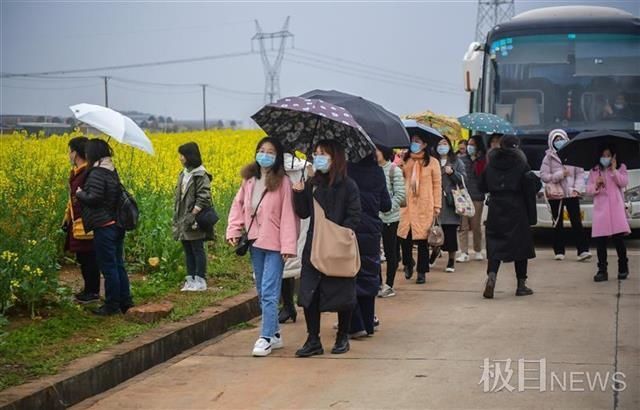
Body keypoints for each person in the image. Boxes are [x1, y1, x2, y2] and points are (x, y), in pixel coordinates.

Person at [227, 137, 299, 357]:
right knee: (261, 289)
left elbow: (289, 215)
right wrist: (233, 230)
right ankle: (275, 334)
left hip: (276, 244)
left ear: (277, 157)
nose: (264, 155)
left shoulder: (284, 182)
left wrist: (288, 245)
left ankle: (265, 337)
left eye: (270, 152)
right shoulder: (249, 180)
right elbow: (239, 206)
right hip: (255, 242)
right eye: (261, 150)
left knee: (269, 290)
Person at [292, 140, 361, 357]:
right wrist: (299, 193)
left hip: (338, 247)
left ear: (335, 158)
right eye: (316, 153)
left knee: (342, 292)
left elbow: (354, 215)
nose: (317, 157)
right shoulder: (312, 183)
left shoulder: (349, 185)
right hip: (314, 247)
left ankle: (342, 337)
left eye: (323, 154)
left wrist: (338, 236)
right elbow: (303, 213)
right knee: (309, 294)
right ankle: (313, 339)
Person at [76, 139, 133, 316]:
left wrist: (80, 194)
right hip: (116, 224)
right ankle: (125, 301)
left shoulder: (97, 173)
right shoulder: (111, 169)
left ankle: (111, 305)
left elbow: (95, 198)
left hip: (104, 225)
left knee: (109, 267)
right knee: (117, 265)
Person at [480, 135, 539, 299]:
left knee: (495, 246)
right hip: (517, 209)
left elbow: (482, 185)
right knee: (521, 247)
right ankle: (521, 285)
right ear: (516, 146)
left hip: (496, 209)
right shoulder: (521, 164)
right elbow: (532, 186)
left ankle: (492, 276)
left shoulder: (491, 164)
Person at [347, 154, 391, 338]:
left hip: (350, 228)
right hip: (372, 230)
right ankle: (368, 324)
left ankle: (355, 324)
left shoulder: (347, 170)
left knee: (350, 274)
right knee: (369, 274)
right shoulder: (378, 171)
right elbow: (386, 205)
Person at [540, 129, 592, 261]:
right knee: (557, 223)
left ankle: (583, 251)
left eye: (561, 139)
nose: (559, 142)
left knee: (576, 222)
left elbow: (580, 174)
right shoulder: (548, 157)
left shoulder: (574, 154)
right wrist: (559, 175)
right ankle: (559, 251)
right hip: (556, 194)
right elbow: (544, 176)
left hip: (571, 194)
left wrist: (577, 189)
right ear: (551, 142)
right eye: (556, 140)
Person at [397, 134, 442, 284]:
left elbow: (437, 185)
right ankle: (408, 263)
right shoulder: (406, 159)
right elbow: (399, 178)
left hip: (424, 205)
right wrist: (399, 164)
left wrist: (437, 206)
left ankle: (422, 271)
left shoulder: (433, 162)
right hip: (407, 205)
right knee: (405, 237)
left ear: (424, 144)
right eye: (412, 141)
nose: (414, 144)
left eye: (417, 141)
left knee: (423, 240)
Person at [62, 136, 100, 304]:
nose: (69, 155)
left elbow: (89, 197)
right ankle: (89, 289)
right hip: (77, 222)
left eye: (70, 151)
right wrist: (67, 217)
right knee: (84, 257)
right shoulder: (79, 172)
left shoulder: (87, 173)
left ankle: (92, 292)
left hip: (86, 223)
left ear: (75, 153)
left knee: (89, 258)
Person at [586, 146, 630, 282]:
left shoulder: (621, 167)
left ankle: (623, 267)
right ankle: (602, 270)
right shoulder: (594, 170)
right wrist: (596, 185)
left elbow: (624, 182)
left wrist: (614, 170)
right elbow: (588, 189)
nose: (606, 158)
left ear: (613, 156)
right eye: (603, 155)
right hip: (601, 210)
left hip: (616, 209)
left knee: (619, 241)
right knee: (601, 242)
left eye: (608, 155)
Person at [173, 142, 213, 292]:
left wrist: (193, 214)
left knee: (197, 248)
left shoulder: (200, 174)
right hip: (182, 217)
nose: (180, 158)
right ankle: (190, 279)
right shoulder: (184, 173)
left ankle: (200, 279)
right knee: (187, 248)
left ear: (190, 156)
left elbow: (204, 197)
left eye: (182, 155)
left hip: (194, 219)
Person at [279, 153, 311, 324]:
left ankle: (289, 306)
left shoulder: (304, 169)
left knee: (290, 264)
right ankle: (291, 306)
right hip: (291, 220)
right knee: (290, 264)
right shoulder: (306, 168)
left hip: (298, 218)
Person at [431, 136, 466, 273]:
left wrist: (453, 173)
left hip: (451, 202)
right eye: (439, 144)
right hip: (435, 201)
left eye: (444, 143)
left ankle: (451, 260)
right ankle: (434, 252)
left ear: (450, 145)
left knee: (450, 232)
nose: (442, 146)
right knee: (435, 232)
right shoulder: (433, 161)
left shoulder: (456, 161)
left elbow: (463, 179)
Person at [376, 146, 405, 298]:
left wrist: (388, 207)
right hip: (374, 218)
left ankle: (389, 284)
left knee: (390, 251)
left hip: (390, 218)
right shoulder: (372, 171)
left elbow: (400, 194)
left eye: (378, 150)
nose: (375, 153)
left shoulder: (394, 170)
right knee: (374, 252)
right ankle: (378, 283)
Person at [457, 135, 487, 262]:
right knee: (463, 226)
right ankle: (464, 252)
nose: (469, 147)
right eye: (469, 144)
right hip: (463, 197)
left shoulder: (483, 160)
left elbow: (482, 175)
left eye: (472, 144)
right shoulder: (462, 159)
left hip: (477, 196)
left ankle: (478, 249)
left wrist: (477, 161)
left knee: (476, 225)